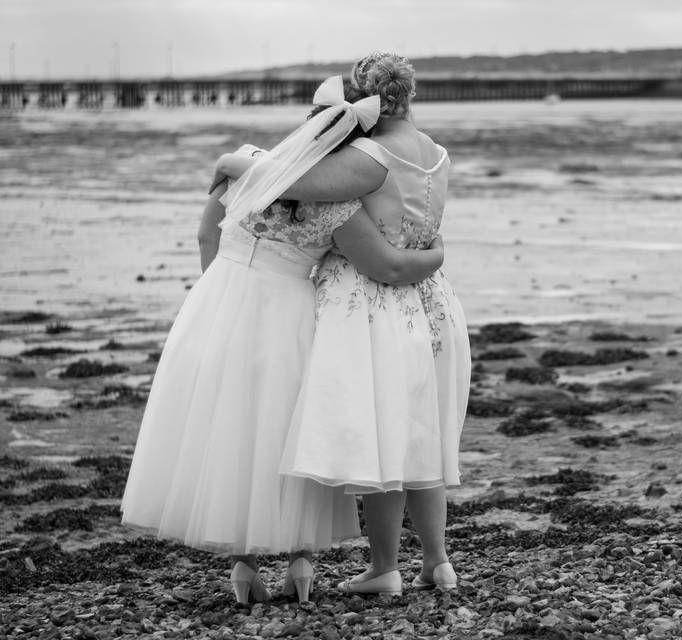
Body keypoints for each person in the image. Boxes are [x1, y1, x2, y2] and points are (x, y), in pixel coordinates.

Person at [121, 77, 445, 605]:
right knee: (288, 431)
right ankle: (301, 561)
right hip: (289, 311)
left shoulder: (243, 167)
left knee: (228, 427)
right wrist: (435, 255)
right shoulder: (337, 207)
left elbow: (207, 234)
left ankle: (244, 568)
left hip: (217, 302)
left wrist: (220, 296)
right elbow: (386, 265)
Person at [218, 51, 470, 596]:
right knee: (421, 438)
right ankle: (437, 562)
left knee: (387, 441)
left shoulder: (371, 156)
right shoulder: (438, 153)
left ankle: (385, 568)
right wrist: (437, 255)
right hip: (432, 301)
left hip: (377, 301)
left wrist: (233, 162)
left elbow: (289, 178)